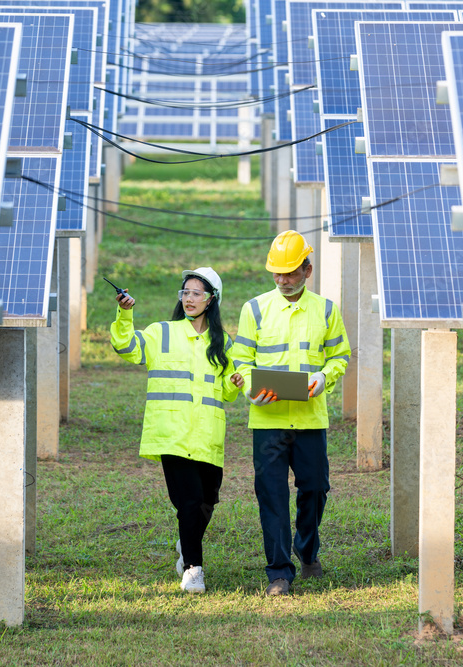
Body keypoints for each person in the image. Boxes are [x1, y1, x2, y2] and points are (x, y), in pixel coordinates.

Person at [231, 231, 351, 596]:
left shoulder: (327, 310)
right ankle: (279, 573)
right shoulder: (254, 309)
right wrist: (251, 388)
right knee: (271, 494)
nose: (283, 280)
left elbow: (340, 357)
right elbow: (240, 360)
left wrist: (323, 377)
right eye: (277, 273)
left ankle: (307, 550)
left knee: (315, 489)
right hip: (268, 421)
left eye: (290, 273)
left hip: (310, 419)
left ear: (308, 270)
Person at [110, 267, 244, 594]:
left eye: (197, 293)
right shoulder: (161, 333)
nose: (189, 298)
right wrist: (124, 313)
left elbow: (226, 392)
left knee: (207, 501)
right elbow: (126, 346)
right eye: (185, 292)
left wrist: (235, 382)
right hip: (171, 433)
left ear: (212, 300)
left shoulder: (223, 343)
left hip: (208, 436)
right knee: (189, 500)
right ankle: (193, 570)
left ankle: (186, 542)